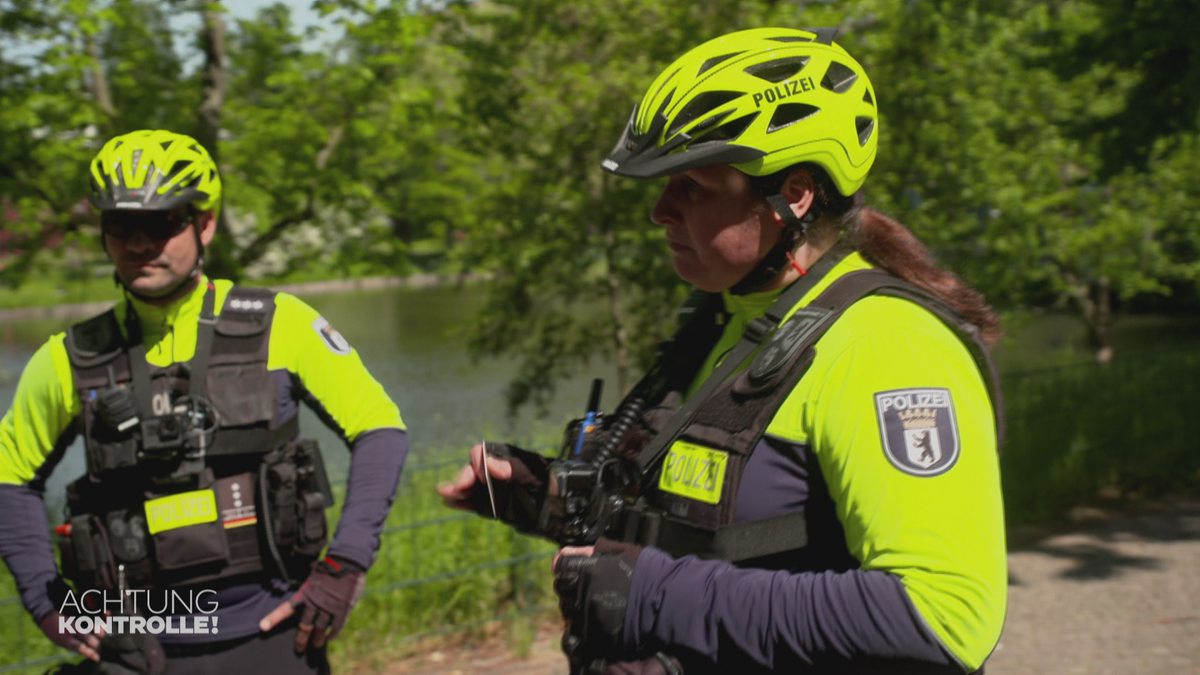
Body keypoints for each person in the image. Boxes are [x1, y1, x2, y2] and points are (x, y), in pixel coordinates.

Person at [438, 27, 1006, 675]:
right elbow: (718, 525)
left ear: (792, 193)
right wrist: (542, 495)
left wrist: (655, 594)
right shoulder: (731, 317)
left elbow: (945, 615)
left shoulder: (887, 345)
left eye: (693, 187)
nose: (659, 211)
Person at [0, 130, 409, 674]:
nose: (140, 243)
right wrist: (47, 604)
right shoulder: (66, 359)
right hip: (136, 649)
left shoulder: (282, 325)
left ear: (205, 223)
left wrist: (345, 564)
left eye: (163, 222)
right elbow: (9, 477)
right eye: (121, 224)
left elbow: (379, 428)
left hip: (274, 635)